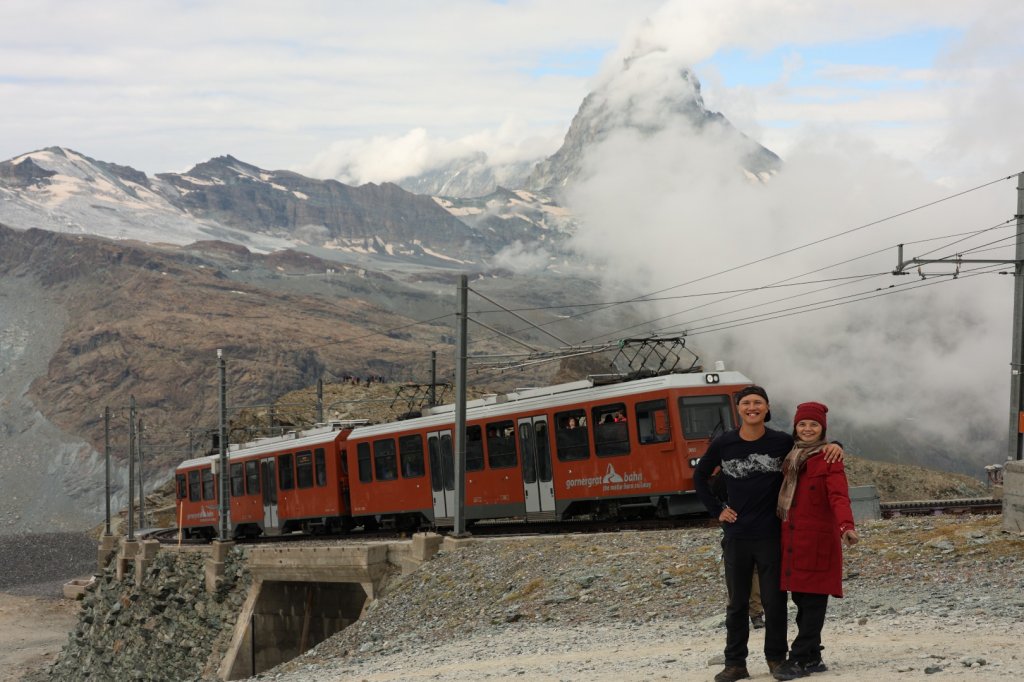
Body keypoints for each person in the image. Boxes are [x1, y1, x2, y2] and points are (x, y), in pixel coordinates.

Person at [694, 386, 843, 682]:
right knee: (737, 603)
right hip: (736, 535)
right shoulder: (724, 443)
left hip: (772, 536)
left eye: (757, 403)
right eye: (746, 403)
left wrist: (835, 444)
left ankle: (776, 659)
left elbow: (809, 445)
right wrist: (717, 510)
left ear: (767, 407)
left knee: (775, 603)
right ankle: (735, 663)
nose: (752, 407)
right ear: (738, 409)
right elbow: (700, 475)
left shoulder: (780, 442)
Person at [772, 402, 858, 681]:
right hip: (794, 540)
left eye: (813, 425)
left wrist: (847, 526)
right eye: (802, 424)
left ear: (822, 429)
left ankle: (797, 658)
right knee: (801, 599)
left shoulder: (829, 458)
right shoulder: (790, 457)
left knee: (813, 602)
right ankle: (814, 658)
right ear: (795, 427)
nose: (807, 429)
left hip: (818, 541)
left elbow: (839, 496)